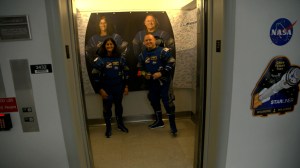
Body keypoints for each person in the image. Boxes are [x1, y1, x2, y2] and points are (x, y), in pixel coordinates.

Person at [137, 33, 177, 135]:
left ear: (155, 41)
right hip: (152, 84)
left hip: (165, 83)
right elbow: (139, 69)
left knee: (168, 103)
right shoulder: (142, 55)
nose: (148, 42)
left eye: (150, 40)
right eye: (146, 40)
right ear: (144, 43)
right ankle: (159, 121)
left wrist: (161, 73)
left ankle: (173, 126)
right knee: (154, 101)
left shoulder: (163, 51)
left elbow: (172, 61)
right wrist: (144, 74)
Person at [93, 38, 129, 138]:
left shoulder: (120, 58)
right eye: (107, 44)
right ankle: (108, 128)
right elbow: (95, 77)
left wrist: (125, 86)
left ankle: (120, 125)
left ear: (114, 46)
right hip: (106, 89)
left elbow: (126, 73)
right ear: (104, 46)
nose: (109, 46)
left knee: (119, 107)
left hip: (118, 87)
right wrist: (100, 90)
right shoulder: (100, 59)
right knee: (107, 109)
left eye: (111, 44)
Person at [86, 15, 128, 93]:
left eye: (105, 22)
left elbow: (124, 50)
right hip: (102, 74)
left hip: (116, 73)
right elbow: (88, 54)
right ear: (98, 25)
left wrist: (119, 63)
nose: (103, 24)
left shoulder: (116, 37)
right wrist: (96, 64)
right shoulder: (93, 39)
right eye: (101, 23)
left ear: (108, 24)